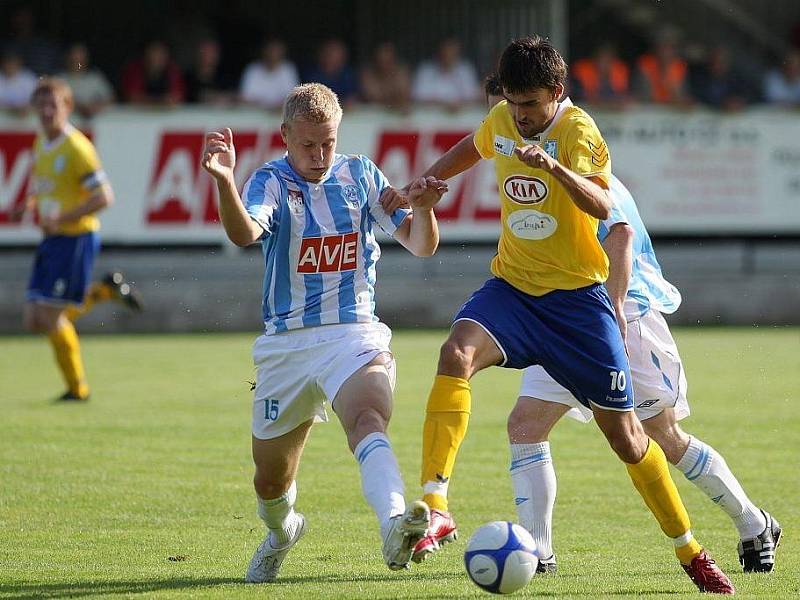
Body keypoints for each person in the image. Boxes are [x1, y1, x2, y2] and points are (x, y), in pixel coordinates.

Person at [382, 36, 734, 594]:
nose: (521, 117)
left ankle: (689, 550)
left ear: (557, 92)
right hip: (515, 290)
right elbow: (473, 147)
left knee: (625, 436)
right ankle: (436, 501)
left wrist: (551, 166)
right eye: (514, 104)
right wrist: (426, 182)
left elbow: (601, 204)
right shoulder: (502, 120)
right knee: (455, 353)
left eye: (531, 106)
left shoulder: (579, 133)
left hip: (578, 304)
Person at [200, 83, 449, 582]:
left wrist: (423, 208)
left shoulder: (360, 175)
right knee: (270, 482)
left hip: (353, 334)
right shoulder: (269, 181)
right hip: (286, 346)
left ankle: (396, 522)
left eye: (328, 143)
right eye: (308, 145)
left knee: (368, 418)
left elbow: (421, 246)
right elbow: (244, 233)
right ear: (286, 136)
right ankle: (281, 531)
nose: (319, 155)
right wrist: (224, 182)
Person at [506, 174, 782, 575]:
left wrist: (614, 307)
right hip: (565, 320)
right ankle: (538, 553)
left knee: (663, 437)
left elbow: (621, 236)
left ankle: (753, 524)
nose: (515, 115)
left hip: (625, 320)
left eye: (525, 107)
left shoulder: (583, 168)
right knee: (526, 424)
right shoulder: (534, 173)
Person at [11, 78, 141, 401]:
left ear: (67, 107)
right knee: (33, 320)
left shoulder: (77, 148)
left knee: (51, 317)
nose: (45, 111)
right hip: (53, 239)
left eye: (52, 104)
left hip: (75, 237)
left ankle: (77, 388)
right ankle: (102, 291)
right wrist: (28, 205)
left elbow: (104, 197)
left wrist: (62, 218)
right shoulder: (42, 143)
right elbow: (48, 187)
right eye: (40, 105)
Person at [412, 38, 480, 110]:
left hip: (461, 118)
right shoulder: (425, 71)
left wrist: (458, 104)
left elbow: (473, 98)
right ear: (439, 51)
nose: (449, 54)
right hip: (430, 117)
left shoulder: (465, 70)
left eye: (452, 51)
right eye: (446, 50)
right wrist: (444, 105)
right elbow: (417, 99)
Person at [239, 39, 299, 110]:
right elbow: (244, 98)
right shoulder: (252, 69)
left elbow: (294, 98)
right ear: (264, 51)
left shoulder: (288, 69)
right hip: (254, 113)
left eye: (276, 50)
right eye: (271, 50)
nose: (273, 54)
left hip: (280, 114)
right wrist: (267, 106)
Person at [59, 43, 115, 118]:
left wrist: (95, 107)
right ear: (68, 58)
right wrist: (77, 106)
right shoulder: (60, 79)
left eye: (81, 57)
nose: (78, 61)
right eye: (75, 57)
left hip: (96, 124)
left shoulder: (95, 78)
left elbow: (111, 98)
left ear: (86, 59)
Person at [121, 40, 185, 106]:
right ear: (146, 54)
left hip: (166, 114)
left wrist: (149, 100)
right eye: (154, 52)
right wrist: (160, 101)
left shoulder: (172, 71)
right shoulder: (135, 69)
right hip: (137, 113)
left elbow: (176, 97)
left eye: (161, 53)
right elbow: (132, 97)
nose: (157, 57)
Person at [304, 39, 359, 107]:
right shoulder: (311, 75)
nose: (332, 58)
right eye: (329, 54)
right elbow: (311, 101)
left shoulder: (348, 74)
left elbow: (352, 97)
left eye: (336, 55)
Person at [360, 42, 412, 112]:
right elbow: (373, 97)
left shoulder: (401, 72)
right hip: (373, 113)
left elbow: (404, 94)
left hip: (398, 112)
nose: (384, 64)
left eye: (388, 61)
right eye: (382, 60)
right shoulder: (368, 74)